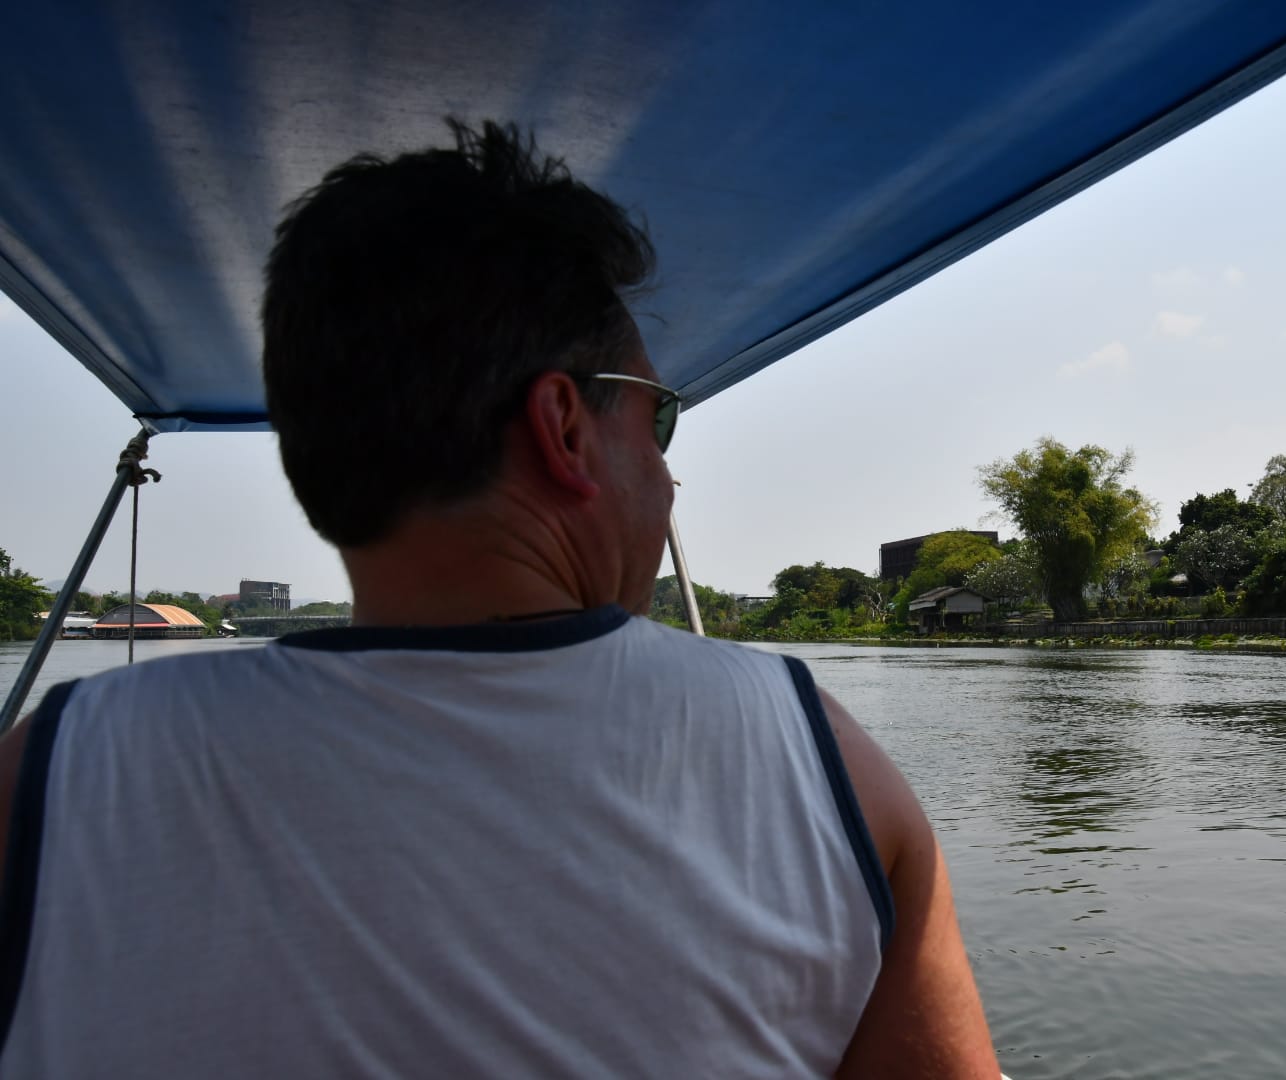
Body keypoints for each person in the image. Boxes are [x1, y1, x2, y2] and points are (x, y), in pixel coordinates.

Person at [0, 120, 999, 1078]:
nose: (668, 477)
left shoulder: (53, 770)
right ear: (565, 427)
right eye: (660, 419)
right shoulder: (821, 766)